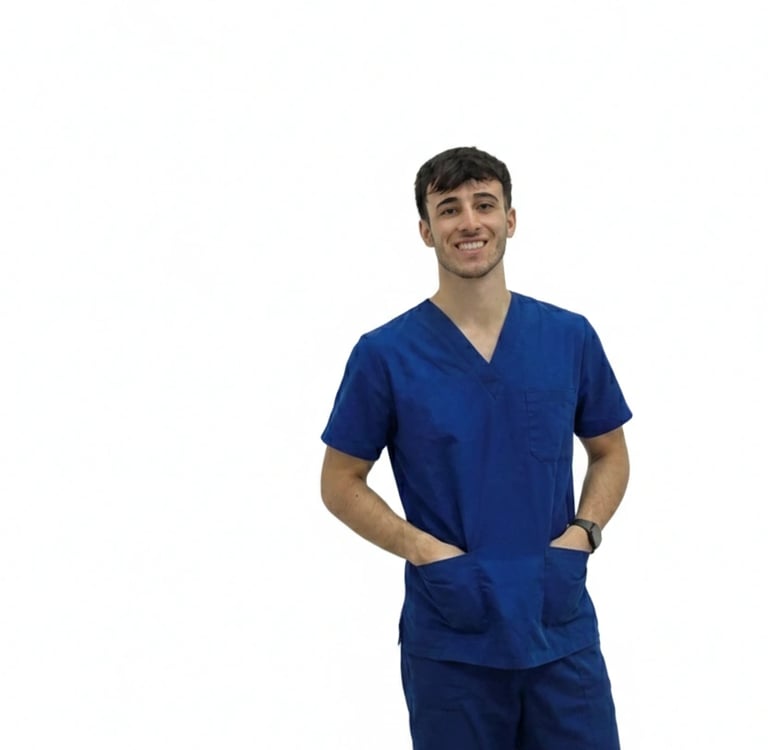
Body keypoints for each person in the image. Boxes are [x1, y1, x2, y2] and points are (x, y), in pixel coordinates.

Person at [319, 146, 631, 750]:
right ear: (425, 230)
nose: (469, 222)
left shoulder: (568, 337)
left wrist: (584, 531)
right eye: (449, 208)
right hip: (454, 637)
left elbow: (610, 452)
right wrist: (421, 548)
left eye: (484, 205)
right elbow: (339, 481)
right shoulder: (385, 355)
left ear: (509, 219)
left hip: (557, 624)